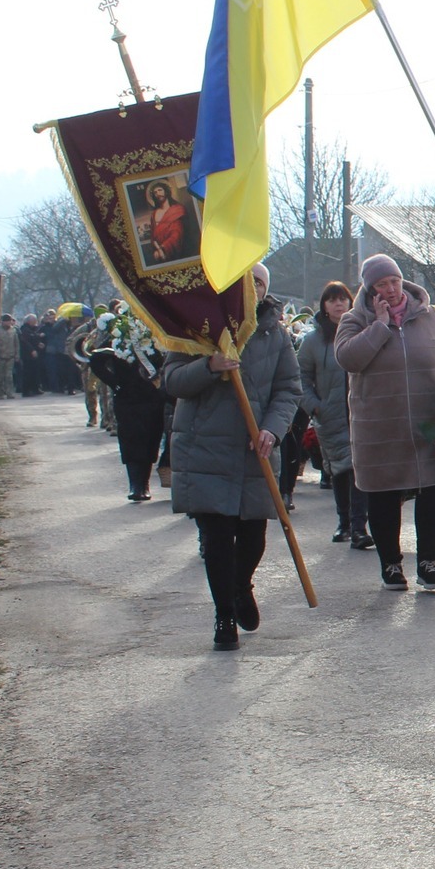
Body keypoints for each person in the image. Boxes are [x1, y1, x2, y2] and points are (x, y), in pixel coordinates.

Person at [159, 262, 301, 650]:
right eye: (244, 281)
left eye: (258, 283)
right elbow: (173, 381)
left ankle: (241, 586)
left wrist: (272, 428)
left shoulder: (274, 333)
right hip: (205, 448)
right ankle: (224, 617)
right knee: (217, 536)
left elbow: (288, 388)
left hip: (255, 449)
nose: (251, 288)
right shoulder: (194, 325)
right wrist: (209, 366)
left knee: (254, 535)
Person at [335, 255, 435, 592]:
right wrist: (380, 326)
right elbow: (348, 358)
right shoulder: (354, 320)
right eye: (381, 285)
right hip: (378, 425)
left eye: (394, 281)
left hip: (426, 423)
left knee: (434, 490)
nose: (389, 289)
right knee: (383, 495)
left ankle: (428, 562)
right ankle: (391, 564)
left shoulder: (429, 317)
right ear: (370, 289)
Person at [297, 282, 369, 548]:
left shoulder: (361, 331)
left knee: (359, 467)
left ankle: (360, 526)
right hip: (331, 415)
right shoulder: (312, 341)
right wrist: (315, 405)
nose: (339, 304)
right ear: (324, 306)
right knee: (340, 469)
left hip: (361, 412)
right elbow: (300, 377)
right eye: (332, 300)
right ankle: (345, 523)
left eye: (343, 299)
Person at [91, 342, 170, 501]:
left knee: (151, 439)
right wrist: (115, 384)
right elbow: (96, 358)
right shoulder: (118, 331)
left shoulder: (155, 334)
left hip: (152, 397)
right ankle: (135, 485)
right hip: (127, 399)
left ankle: (144, 484)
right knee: (130, 439)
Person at [0, 316, 18, 399]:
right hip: (0, 357)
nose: (9, 323)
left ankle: (9, 393)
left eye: (10, 321)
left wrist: (17, 355)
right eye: (7, 321)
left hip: (10, 357)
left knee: (9, 376)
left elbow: (16, 343)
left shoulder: (13, 330)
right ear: (3, 322)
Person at [18, 313, 44, 397]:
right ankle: (26, 390)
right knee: (27, 373)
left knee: (35, 372)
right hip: (27, 355)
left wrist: (39, 343)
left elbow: (34, 338)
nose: (35, 322)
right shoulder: (24, 329)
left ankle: (35, 388)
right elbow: (25, 342)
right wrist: (32, 350)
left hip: (34, 355)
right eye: (34, 321)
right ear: (30, 321)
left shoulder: (32, 329)